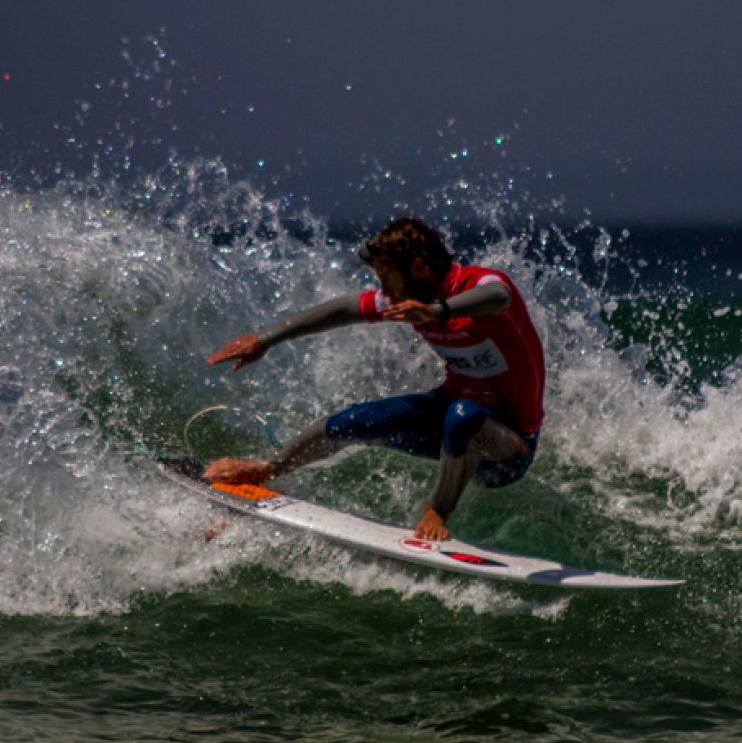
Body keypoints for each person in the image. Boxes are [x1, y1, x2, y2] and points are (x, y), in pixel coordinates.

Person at [204, 217, 546, 541]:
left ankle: (437, 512)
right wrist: (264, 339)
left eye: (386, 280)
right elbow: (344, 309)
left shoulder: (476, 285)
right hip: (449, 423)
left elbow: (500, 295)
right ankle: (269, 468)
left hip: (508, 449)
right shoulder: (408, 298)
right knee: (356, 421)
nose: (384, 291)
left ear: (419, 268)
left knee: (463, 415)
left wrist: (438, 312)